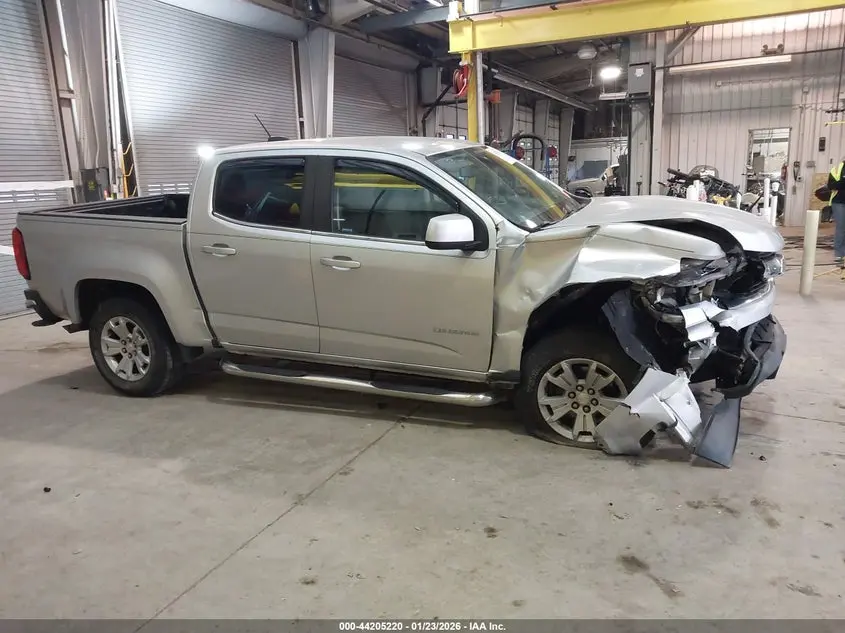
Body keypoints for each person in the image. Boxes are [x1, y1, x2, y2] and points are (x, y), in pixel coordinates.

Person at [828, 158, 845, 267]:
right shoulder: (836, 170)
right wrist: (843, 181)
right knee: (841, 227)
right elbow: (831, 185)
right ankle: (839, 255)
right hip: (839, 202)